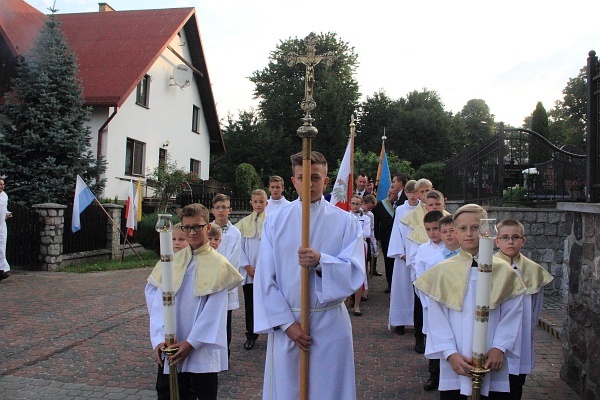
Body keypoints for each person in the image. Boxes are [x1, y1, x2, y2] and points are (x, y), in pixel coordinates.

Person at [253, 151, 365, 400]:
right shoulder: (275, 221)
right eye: (302, 177)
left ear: (326, 181)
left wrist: (321, 262)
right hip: (288, 324)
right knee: (287, 390)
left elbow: (356, 272)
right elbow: (265, 280)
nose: (310, 184)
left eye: (316, 177)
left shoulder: (346, 221)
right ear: (293, 182)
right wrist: (286, 324)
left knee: (329, 390)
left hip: (329, 324)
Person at [414, 204, 525, 399]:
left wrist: (499, 347)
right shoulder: (442, 271)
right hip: (457, 357)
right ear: (455, 232)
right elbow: (436, 316)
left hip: (493, 355)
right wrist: (450, 353)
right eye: (463, 229)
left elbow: (513, 312)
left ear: (486, 230)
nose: (470, 234)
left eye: (475, 227)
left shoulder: (504, 271)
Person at [145, 203, 243, 400]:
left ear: (207, 227)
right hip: (170, 345)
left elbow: (214, 311)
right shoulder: (171, 262)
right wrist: (158, 339)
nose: (192, 232)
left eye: (197, 226)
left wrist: (192, 343)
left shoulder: (219, 264)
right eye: (187, 227)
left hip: (201, 348)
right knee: (168, 392)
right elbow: (156, 302)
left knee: (201, 393)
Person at [494, 218, 553, 400]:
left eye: (515, 237)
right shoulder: (488, 266)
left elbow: (535, 307)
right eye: (505, 237)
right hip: (494, 336)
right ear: (497, 241)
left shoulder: (533, 270)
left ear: (523, 240)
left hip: (521, 336)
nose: (510, 241)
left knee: (515, 384)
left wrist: (527, 330)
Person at [414, 213, 458, 391]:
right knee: (435, 338)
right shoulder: (426, 253)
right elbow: (420, 279)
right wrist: (428, 303)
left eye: (450, 231)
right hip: (432, 303)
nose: (435, 233)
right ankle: (434, 374)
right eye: (429, 230)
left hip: (455, 304)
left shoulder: (459, 252)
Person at [235, 189, 268, 350]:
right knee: (250, 304)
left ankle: (272, 331)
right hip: (249, 272)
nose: (258, 204)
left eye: (261, 202)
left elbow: (272, 248)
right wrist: (247, 266)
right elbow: (239, 246)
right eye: (255, 202)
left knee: (268, 301)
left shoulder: (271, 221)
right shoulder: (243, 223)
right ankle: (251, 333)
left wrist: (264, 268)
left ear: (266, 203)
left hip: (266, 271)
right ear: (251, 203)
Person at [211, 193, 242, 360]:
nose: (221, 210)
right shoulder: (206, 229)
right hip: (208, 283)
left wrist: (223, 280)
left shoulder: (235, 233)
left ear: (229, 210)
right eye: (218, 207)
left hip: (225, 284)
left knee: (225, 322)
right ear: (212, 210)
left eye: (224, 207)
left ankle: (224, 355)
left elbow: (234, 260)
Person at [387, 180, 419, 334]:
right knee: (401, 288)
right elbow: (397, 231)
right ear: (405, 193)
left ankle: (418, 321)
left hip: (419, 255)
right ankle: (400, 321)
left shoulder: (424, 209)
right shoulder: (400, 210)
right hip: (404, 255)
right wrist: (400, 252)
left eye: (415, 192)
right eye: (410, 192)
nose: (413, 195)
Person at [373, 188, 399, 292]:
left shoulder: (401, 205)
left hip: (398, 238)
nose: (389, 194)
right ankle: (390, 283)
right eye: (389, 192)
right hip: (386, 238)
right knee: (388, 262)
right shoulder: (381, 205)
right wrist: (376, 236)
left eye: (392, 193)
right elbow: (376, 222)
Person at [349, 194, 371, 316]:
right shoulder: (345, 216)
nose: (355, 206)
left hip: (360, 247)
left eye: (358, 203)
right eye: (353, 203)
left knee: (359, 273)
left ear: (361, 204)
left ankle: (357, 305)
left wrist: (354, 233)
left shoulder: (365, 218)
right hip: (347, 247)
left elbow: (366, 233)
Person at [361, 194, 380, 279]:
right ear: (363, 203)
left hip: (366, 239)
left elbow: (371, 229)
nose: (370, 210)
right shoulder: (357, 212)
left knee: (367, 258)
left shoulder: (370, 215)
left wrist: (374, 242)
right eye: (369, 207)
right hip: (358, 240)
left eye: (371, 208)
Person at [0, 178, 12, 281]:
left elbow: (4, 209)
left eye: (3, 184)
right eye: (0, 184)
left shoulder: (4, 196)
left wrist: (7, 214)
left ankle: (2, 269)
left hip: (2, 226)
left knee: (1, 247)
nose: (2, 186)